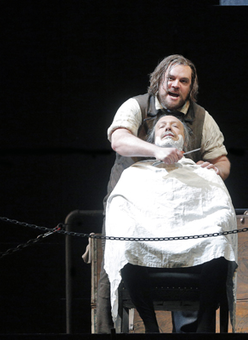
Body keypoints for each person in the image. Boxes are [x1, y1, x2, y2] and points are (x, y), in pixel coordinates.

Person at [98, 54, 232, 333]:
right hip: (136, 202)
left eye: (183, 81)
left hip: (187, 206)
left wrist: (214, 168)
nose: (176, 85)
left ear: (191, 87)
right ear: (159, 80)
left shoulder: (202, 117)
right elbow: (119, 139)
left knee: (216, 241)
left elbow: (222, 161)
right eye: (170, 78)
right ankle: (129, 329)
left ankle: (196, 328)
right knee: (118, 251)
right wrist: (157, 151)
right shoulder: (136, 106)